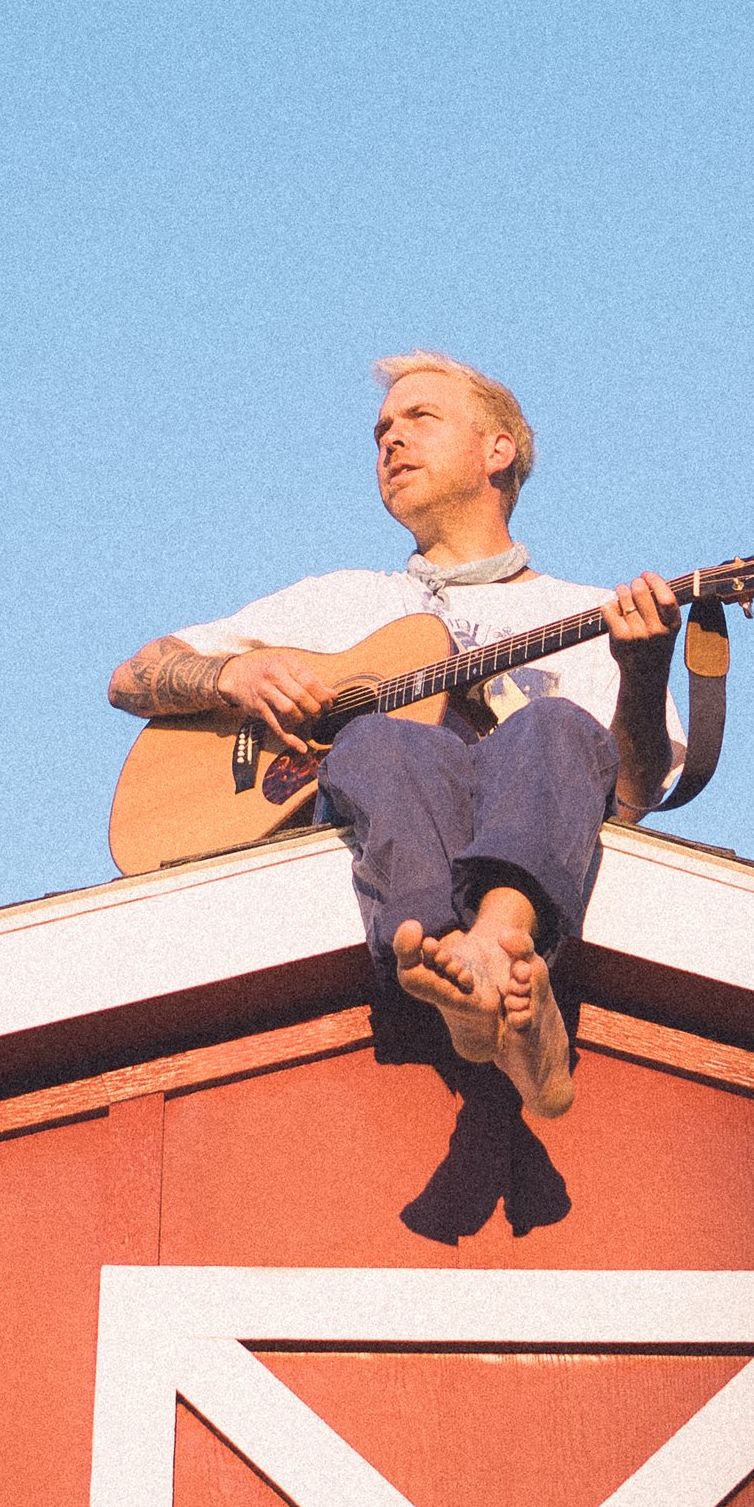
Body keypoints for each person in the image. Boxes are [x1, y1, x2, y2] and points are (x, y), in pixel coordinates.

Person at [107, 353, 682, 1118]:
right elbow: (132, 674)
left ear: (497, 450)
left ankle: (496, 952)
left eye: (419, 419)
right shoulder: (340, 601)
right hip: (386, 807)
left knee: (553, 724)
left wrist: (643, 673)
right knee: (381, 740)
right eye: (380, 429)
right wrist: (232, 679)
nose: (389, 441)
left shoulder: (586, 614)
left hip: (527, 838)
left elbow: (636, 797)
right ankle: (457, 961)